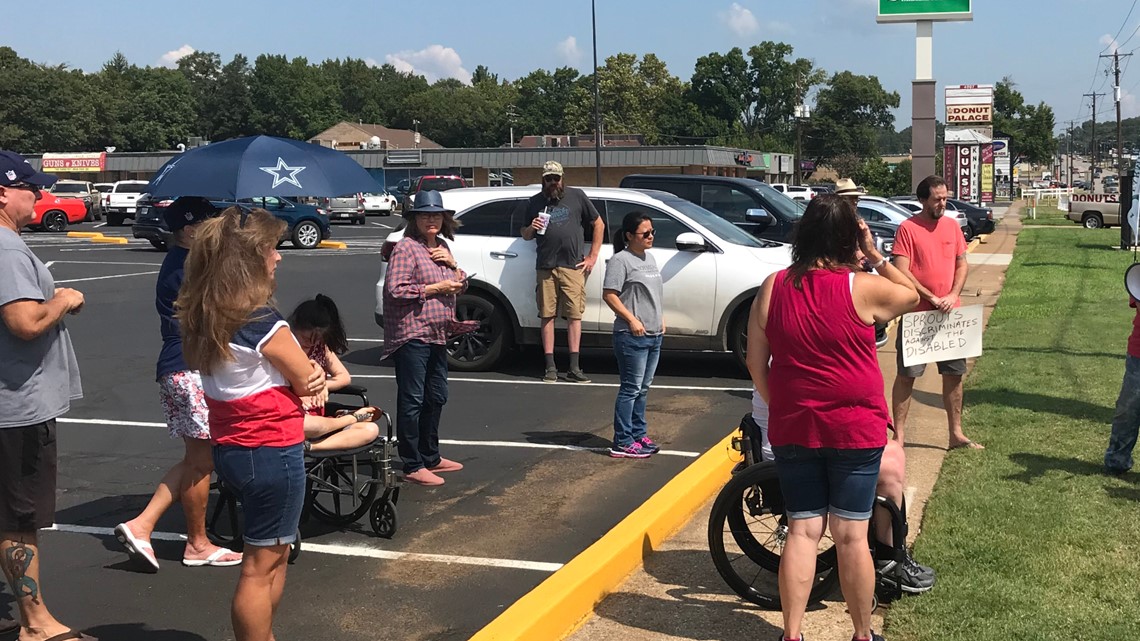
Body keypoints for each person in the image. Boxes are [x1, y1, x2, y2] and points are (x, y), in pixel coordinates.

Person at [746, 194, 919, 641]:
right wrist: (876, 255)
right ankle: (861, 634)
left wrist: (781, 405)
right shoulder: (861, 285)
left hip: (795, 426)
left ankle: (792, 632)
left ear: (803, 234)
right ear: (848, 238)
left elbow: (755, 361)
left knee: (803, 531)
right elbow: (912, 294)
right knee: (851, 536)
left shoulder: (774, 285)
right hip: (854, 428)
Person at [178, 207, 325, 641]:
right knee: (260, 567)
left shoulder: (206, 314)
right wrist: (309, 378)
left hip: (234, 448)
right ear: (251, 259)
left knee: (272, 558)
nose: (278, 258)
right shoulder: (262, 321)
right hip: (271, 449)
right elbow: (307, 378)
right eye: (271, 249)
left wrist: (308, 378)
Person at [114, 197, 244, 573]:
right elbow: (224, 310)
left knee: (196, 459)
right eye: (210, 224)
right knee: (202, 462)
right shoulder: (188, 265)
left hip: (183, 367)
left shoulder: (186, 262)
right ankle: (197, 543)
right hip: (188, 367)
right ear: (190, 230)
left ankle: (142, 525)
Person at [0, 151, 94, 641]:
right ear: (2, 193)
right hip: (17, 407)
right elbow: (24, 322)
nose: (38, 195)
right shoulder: (8, 249)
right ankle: (35, 623)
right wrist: (62, 299)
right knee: (19, 519)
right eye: (29, 188)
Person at [751, 392, 935, 594]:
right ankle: (888, 558)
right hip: (799, 443)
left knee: (893, 455)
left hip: (803, 433)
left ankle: (889, 551)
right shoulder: (799, 364)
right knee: (890, 471)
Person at [382, 190, 477, 487]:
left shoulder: (443, 247)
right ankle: (412, 463)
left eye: (436, 215)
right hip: (412, 333)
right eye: (425, 215)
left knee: (436, 396)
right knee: (413, 399)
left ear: (444, 218)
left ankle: (430, 456)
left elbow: (460, 284)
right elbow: (395, 290)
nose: (431, 219)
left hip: (438, 332)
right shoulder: (405, 248)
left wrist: (451, 265)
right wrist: (434, 288)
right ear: (415, 219)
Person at [891, 175, 981, 449]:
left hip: (950, 316)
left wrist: (952, 295)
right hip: (917, 315)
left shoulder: (952, 227)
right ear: (922, 200)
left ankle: (956, 434)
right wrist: (930, 296)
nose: (942, 203)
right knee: (908, 376)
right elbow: (901, 270)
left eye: (945, 198)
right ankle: (900, 436)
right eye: (937, 199)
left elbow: (962, 263)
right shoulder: (907, 229)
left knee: (954, 376)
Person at [519, 160, 605, 383]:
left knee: (574, 316)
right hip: (546, 266)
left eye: (556, 179)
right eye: (548, 179)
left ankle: (574, 367)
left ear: (562, 178)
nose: (552, 183)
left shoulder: (577, 197)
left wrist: (593, 256)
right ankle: (550, 366)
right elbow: (525, 235)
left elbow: (598, 224)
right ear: (543, 180)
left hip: (573, 266)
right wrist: (531, 227)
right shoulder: (535, 202)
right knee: (547, 315)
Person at [603, 212, 665, 459]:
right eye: (645, 233)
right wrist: (631, 320)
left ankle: (639, 434)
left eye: (652, 232)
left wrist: (660, 319)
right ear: (629, 236)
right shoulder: (621, 260)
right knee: (631, 388)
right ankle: (622, 440)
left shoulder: (649, 258)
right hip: (632, 336)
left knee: (643, 388)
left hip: (654, 334)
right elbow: (610, 294)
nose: (650, 236)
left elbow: (653, 293)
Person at [288, 294, 380, 452]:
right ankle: (348, 417)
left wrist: (324, 385)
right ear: (295, 327)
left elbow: (344, 377)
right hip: (297, 415)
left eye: (316, 339)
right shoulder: (285, 348)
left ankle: (312, 447)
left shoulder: (321, 348)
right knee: (304, 424)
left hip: (321, 421)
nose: (310, 343)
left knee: (371, 430)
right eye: (306, 337)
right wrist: (301, 395)